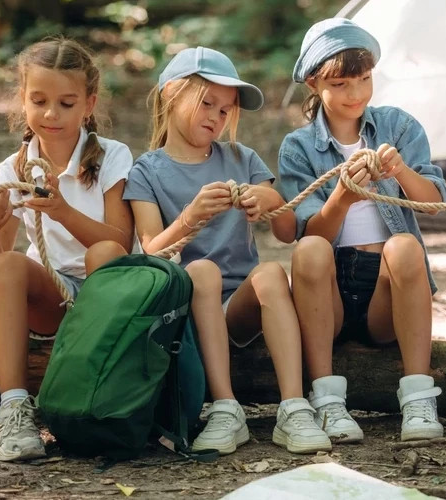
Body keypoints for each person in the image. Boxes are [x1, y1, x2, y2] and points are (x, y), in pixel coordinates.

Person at [124, 47, 331, 455]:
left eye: (225, 111)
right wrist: (191, 216)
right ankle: (225, 408)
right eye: (207, 104)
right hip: (187, 309)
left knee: (271, 272)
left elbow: (283, 217)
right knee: (201, 270)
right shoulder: (145, 171)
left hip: (240, 306)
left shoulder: (240, 158)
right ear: (170, 95)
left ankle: (293, 408)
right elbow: (152, 248)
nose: (215, 118)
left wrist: (264, 200)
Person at [278, 18, 446, 443]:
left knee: (406, 245)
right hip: (329, 290)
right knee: (311, 249)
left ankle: (418, 397)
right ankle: (328, 401)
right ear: (315, 83)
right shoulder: (298, 147)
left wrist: (400, 170)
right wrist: (343, 196)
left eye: (364, 79)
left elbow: (433, 203)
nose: (356, 94)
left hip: (387, 291)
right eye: (342, 84)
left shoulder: (399, 127)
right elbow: (307, 228)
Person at [0, 38, 133, 461]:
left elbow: (121, 241)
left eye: (65, 103)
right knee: (10, 264)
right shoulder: (14, 169)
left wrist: (61, 212)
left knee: (105, 255)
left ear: (88, 103)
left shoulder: (113, 156)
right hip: (52, 299)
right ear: (22, 102)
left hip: (106, 300)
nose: (50, 114)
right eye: (38, 100)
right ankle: (14, 410)